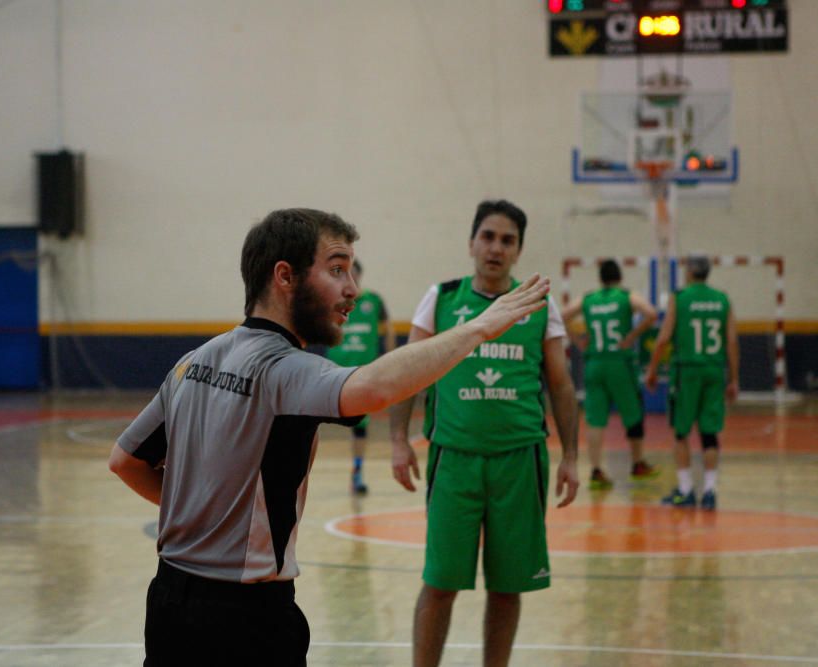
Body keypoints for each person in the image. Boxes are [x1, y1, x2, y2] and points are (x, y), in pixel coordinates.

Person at [108, 207, 552, 667]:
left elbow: (125, 461)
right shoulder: (285, 370)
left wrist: (209, 516)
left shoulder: (193, 361)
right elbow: (377, 387)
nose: (352, 289)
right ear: (285, 276)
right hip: (247, 618)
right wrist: (480, 327)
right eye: (337, 269)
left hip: (167, 604)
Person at [389, 199, 580, 667]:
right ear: (472, 242)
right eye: (488, 237)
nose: (496, 248)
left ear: (519, 250)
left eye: (507, 240)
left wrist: (572, 456)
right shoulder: (443, 297)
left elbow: (560, 383)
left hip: (519, 460)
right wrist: (397, 441)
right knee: (439, 584)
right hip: (454, 459)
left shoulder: (539, 304)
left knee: (507, 587)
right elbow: (405, 371)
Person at [646, 254, 738, 510]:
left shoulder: (680, 297)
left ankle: (686, 490)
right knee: (709, 434)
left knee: (681, 432)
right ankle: (709, 491)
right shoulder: (722, 299)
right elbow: (732, 341)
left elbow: (663, 338)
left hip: (686, 372)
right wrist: (734, 379)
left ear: (688, 272)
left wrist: (652, 370)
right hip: (713, 371)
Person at [562, 259, 659, 490]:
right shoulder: (625, 296)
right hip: (619, 362)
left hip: (594, 362)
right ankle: (637, 464)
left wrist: (577, 341)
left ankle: (596, 471)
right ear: (619, 277)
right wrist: (633, 336)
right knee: (633, 413)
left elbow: (562, 315)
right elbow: (651, 313)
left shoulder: (588, 298)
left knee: (595, 419)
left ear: (600, 278)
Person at [325, 258, 396, 494]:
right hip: (333, 373)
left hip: (362, 375)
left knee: (360, 427)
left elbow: (388, 324)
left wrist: (390, 355)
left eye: (351, 274)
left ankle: (357, 471)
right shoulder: (330, 301)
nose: (348, 279)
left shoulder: (372, 301)